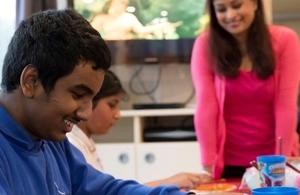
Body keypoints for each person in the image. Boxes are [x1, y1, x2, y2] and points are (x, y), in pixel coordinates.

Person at [0, 9, 196, 195]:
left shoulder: (49, 139)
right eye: (77, 95)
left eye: (91, 98)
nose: (86, 114)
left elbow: (106, 190)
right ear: (31, 81)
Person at [191, 0, 300, 180]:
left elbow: (286, 106)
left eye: (236, 5)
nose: (230, 15)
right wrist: (207, 167)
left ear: (256, 4)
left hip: (274, 160)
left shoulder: (285, 39)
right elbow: (206, 107)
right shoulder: (205, 44)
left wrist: (281, 162)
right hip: (227, 163)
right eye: (221, 9)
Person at [67, 70, 211, 191]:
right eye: (112, 105)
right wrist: (169, 183)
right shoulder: (72, 144)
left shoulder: (84, 140)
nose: (118, 114)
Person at [90, 0, 180, 40]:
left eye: (122, 4)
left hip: (129, 48)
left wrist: (162, 25)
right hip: (110, 48)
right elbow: (90, 33)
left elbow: (141, 30)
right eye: (117, 4)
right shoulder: (102, 18)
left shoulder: (129, 17)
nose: (119, 7)